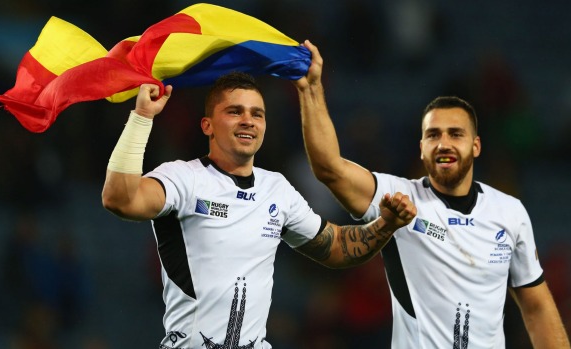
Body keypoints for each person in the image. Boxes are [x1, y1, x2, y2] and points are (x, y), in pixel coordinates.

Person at [101, 71, 417, 349]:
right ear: (207, 125)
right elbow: (120, 199)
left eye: (257, 113)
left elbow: (335, 246)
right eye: (234, 111)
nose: (248, 120)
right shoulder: (184, 178)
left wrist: (386, 224)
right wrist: (142, 115)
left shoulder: (276, 189)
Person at [294, 40, 571, 349]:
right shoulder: (397, 197)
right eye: (433, 135)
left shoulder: (510, 212)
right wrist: (311, 90)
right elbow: (330, 168)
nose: (444, 143)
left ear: (476, 146)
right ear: (422, 148)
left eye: (456, 134)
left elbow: (537, 306)